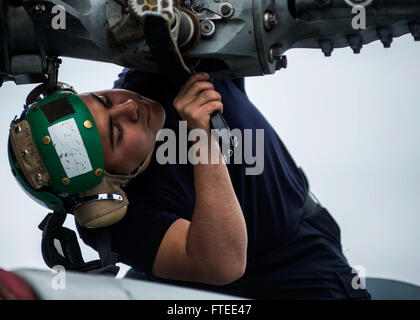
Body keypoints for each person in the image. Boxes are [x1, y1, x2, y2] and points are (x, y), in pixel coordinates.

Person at [8, 70, 371, 299]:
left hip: (300, 261)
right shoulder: (113, 219)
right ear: (110, 183)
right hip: (207, 284)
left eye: (104, 101)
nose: (129, 107)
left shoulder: (163, 69)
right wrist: (201, 136)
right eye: (117, 133)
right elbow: (222, 263)